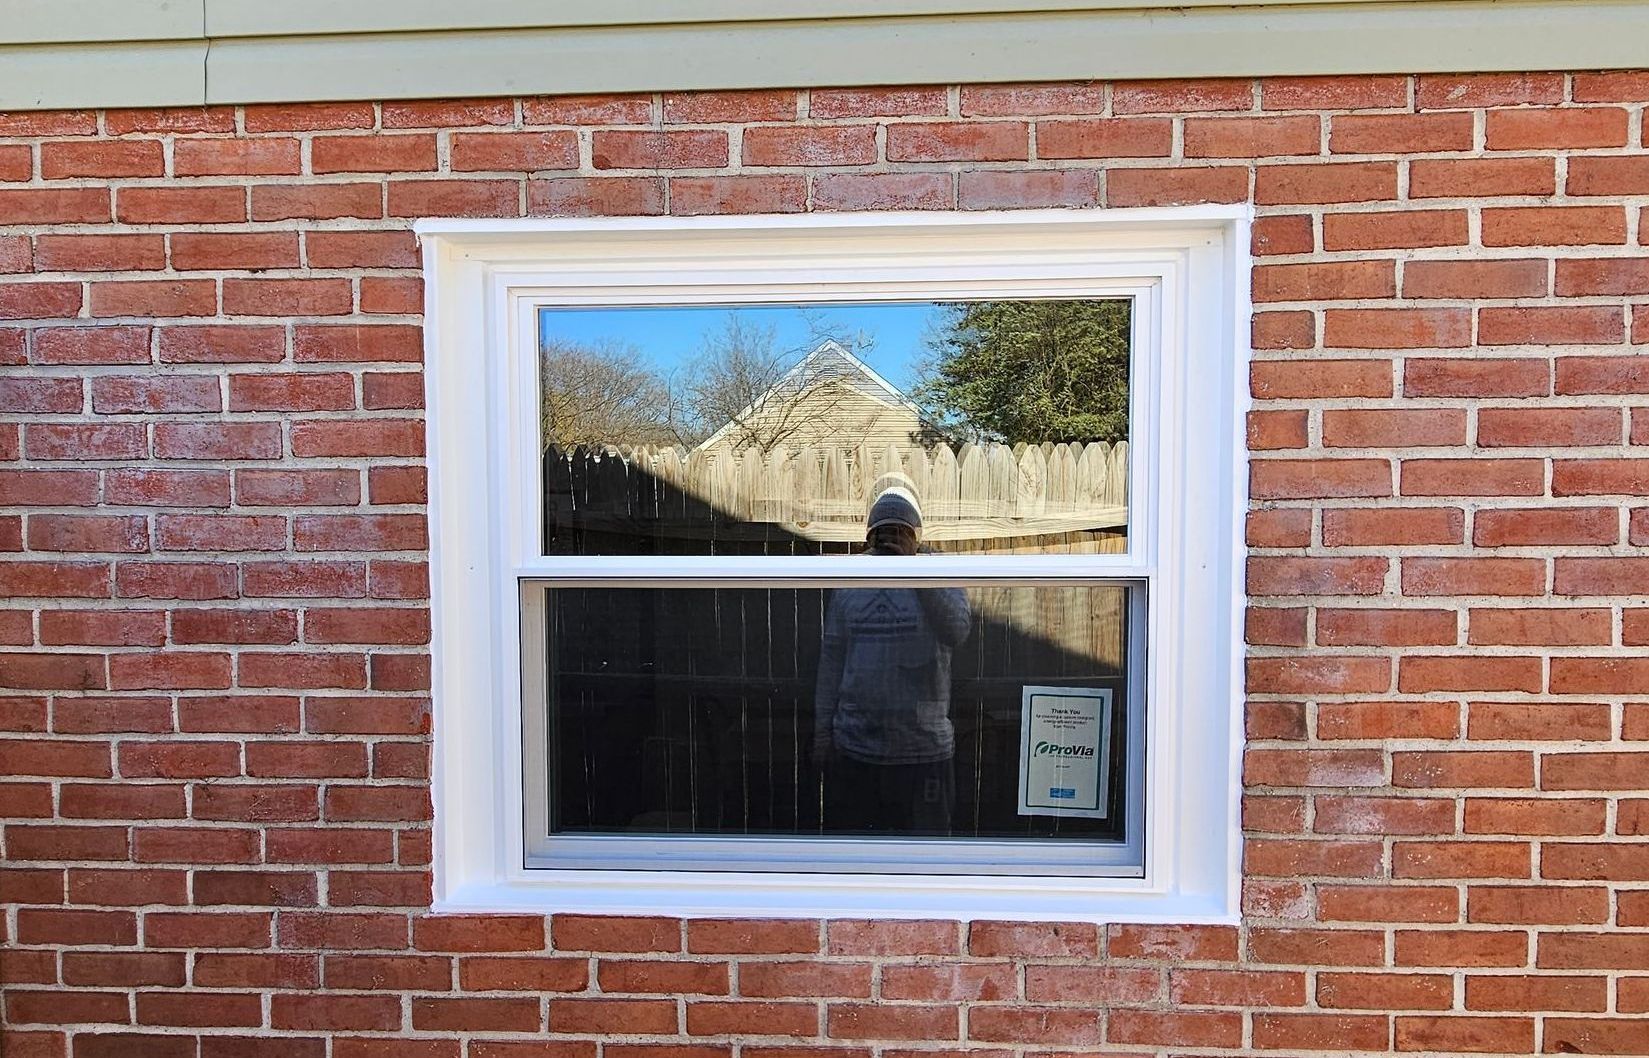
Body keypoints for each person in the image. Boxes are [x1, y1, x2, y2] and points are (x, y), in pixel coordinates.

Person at [812, 477, 972, 835]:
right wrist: (823, 736)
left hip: (923, 752)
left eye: (900, 531)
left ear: (917, 535)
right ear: (869, 536)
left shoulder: (938, 572)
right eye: (883, 532)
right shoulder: (851, 577)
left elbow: (957, 631)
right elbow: (831, 661)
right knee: (855, 864)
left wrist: (911, 569)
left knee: (924, 866)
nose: (890, 540)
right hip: (855, 750)